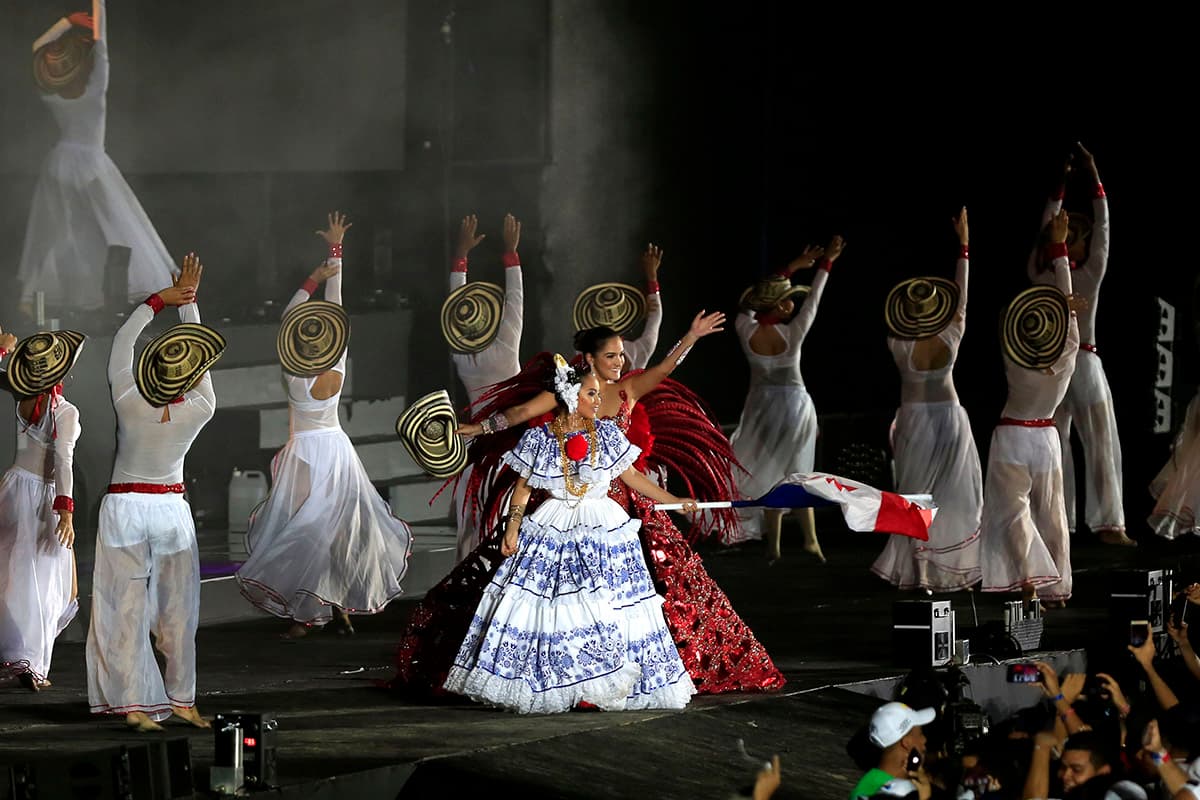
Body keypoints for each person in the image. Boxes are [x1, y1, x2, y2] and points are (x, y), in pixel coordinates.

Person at [394, 309, 785, 697]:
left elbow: (663, 372)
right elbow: (520, 415)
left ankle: (631, 670)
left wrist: (692, 337)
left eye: (621, 354)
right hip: (563, 505)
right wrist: (480, 428)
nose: (621, 362)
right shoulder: (565, 395)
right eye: (612, 355)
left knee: (657, 591)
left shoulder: (626, 392)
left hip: (622, 512)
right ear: (591, 360)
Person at [444, 358, 697, 713]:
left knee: (603, 604)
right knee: (556, 606)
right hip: (554, 523)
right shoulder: (540, 440)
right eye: (591, 394)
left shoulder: (608, 435)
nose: (598, 400)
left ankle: (601, 684)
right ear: (571, 395)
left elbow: (633, 478)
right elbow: (522, 489)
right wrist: (513, 528)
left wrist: (674, 500)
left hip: (603, 525)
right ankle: (564, 683)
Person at [236, 213, 413, 638]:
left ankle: (314, 612)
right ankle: (329, 609)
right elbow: (336, 310)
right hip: (332, 450)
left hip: (307, 451)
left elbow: (290, 317)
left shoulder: (293, 371)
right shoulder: (334, 362)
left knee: (310, 530)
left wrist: (313, 277)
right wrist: (337, 255)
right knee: (326, 531)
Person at [86, 254, 222, 732]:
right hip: (169, 509)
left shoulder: (127, 397)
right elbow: (200, 355)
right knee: (177, 612)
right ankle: (182, 700)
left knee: (123, 608)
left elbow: (122, 344)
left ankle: (136, 706)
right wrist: (189, 305)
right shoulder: (201, 407)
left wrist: (158, 302)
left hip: (126, 507)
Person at [19, 0, 177, 312]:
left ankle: (40, 296)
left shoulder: (50, 94)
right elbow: (101, 44)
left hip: (60, 163)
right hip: (90, 164)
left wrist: (66, 22)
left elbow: (37, 48)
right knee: (113, 226)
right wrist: (97, 7)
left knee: (65, 232)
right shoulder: (94, 90)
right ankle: (113, 294)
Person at [872, 209, 981, 591]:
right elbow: (962, 295)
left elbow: (894, 315)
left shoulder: (897, 342)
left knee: (915, 494)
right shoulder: (952, 332)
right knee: (946, 494)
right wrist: (964, 247)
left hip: (918, 418)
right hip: (948, 417)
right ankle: (941, 568)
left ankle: (922, 572)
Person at [1028, 143, 1130, 546]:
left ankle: (1061, 523)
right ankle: (1109, 524)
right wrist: (1094, 180)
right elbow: (1103, 233)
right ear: (1077, 244)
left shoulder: (1038, 272)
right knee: (1101, 441)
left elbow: (1046, 230)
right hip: (1082, 364)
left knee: (1057, 447)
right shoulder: (1086, 276)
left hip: (1049, 370)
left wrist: (1058, 189)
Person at [980, 209, 1080, 607]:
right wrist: (1060, 255)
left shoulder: (1014, 360)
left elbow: (1010, 321)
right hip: (1045, 439)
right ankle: (1056, 587)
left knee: (1014, 514)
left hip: (1012, 435)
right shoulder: (1069, 352)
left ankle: (1028, 578)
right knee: (1052, 515)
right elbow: (1068, 321)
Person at [729, 234, 846, 562]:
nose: (793, 304)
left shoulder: (745, 329)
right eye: (787, 300)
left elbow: (746, 306)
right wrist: (826, 264)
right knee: (796, 471)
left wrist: (792, 267)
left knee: (773, 472)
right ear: (778, 306)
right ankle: (805, 541)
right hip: (793, 406)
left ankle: (777, 546)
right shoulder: (792, 333)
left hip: (762, 407)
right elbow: (815, 301)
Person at [0, 325, 84, 691]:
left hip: (14, 487)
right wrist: (64, 509)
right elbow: (64, 460)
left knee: (16, 577)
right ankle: (31, 662)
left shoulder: (22, 395)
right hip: (42, 499)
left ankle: (22, 656)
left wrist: (3, 352)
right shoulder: (64, 411)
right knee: (46, 583)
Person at [443, 213, 524, 561]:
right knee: (510, 517)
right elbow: (515, 298)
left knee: (474, 522)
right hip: (511, 446)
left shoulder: (460, 354)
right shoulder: (506, 342)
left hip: (475, 448)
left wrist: (460, 257)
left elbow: (454, 305)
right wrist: (511, 253)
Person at [851, 701, 935, 800]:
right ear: (906, 742)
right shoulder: (870, 793)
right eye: (920, 733)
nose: (924, 739)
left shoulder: (872, 783)